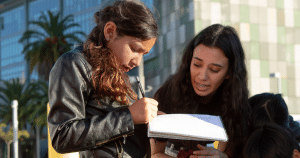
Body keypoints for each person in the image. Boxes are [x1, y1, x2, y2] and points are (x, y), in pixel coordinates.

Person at [48, 1, 159, 158]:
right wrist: (128, 117)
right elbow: (62, 136)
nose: (137, 62)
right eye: (134, 49)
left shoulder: (122, 75)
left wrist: (154, 123)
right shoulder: (75, 64)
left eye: (144, 54)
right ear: (110, 31)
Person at [150, 24, 252, 158]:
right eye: (197, 65)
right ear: (189, 61)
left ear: (229, 72)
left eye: (214, 70)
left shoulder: (236, 106)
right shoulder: (169, 92)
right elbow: (156, 154)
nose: (202, 76)